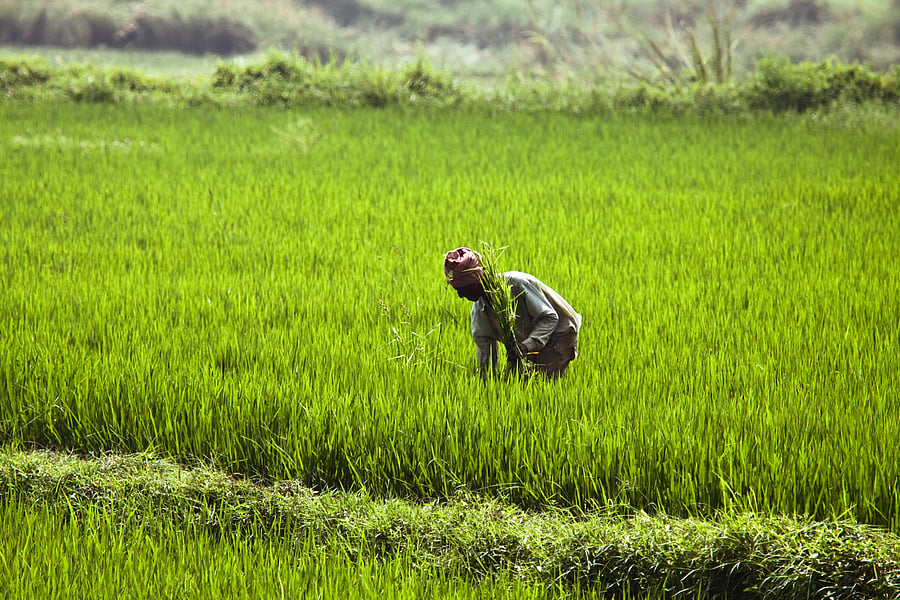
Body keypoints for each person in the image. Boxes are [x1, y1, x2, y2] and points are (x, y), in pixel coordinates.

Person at [443, 247, 582, 378]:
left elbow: (550, 317)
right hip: (529, 339)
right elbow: (486, 356)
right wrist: (487, 383)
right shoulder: (480, 313)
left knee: (539, 384)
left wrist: (526, 346)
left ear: (476, 280)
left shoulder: (517, 284)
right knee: (517, 382)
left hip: (560, 333)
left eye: (463, 289)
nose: (461, 296)